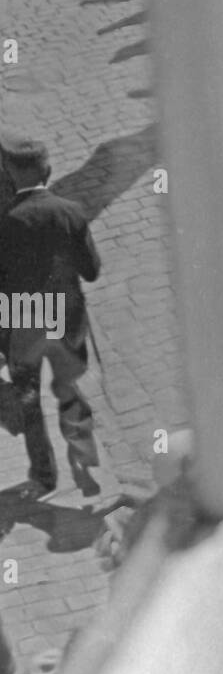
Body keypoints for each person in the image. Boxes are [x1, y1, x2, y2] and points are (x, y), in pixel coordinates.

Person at [0, 138, 102, 497]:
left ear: (10, 174)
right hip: (67, 318)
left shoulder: (6, 223)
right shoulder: (70, 211)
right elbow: (92, 271)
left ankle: (43, 475)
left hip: (24, 322)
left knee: (27, 398)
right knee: (68, 387)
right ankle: (84, 453)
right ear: (49, 170)